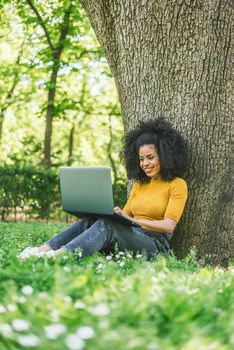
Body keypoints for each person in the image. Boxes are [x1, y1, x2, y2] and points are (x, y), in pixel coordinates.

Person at [18, 117, 188, 261]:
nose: (145, 164)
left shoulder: (177, 184)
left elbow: (168, 226)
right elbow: (127, 216)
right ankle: (40, 251)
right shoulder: (140, 184)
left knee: (107, 226)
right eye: (141, 159)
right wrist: (117, 214)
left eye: (150, 158)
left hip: (156, 245)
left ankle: (61, 256)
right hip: (133, 236)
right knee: (90, 221)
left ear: (165, 156)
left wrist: (134, 222)